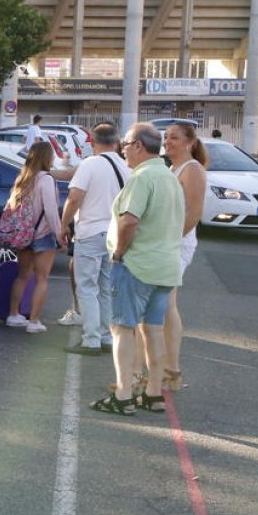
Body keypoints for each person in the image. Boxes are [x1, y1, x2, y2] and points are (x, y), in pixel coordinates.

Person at [90, 124, 184, 415]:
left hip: (137, 264)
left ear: (139, 146)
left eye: (126, 144)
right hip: (166, 265)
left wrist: (118, 252)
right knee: (153, 329)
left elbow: (130, 220)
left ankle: (124, 394)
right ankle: (154, 393)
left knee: (122, 328)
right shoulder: (169, 177)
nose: (123, 150)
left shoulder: (142, 178)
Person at [58, 123, 128, 356]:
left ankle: (90, 340)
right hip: (115, 233)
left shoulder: (90, 164)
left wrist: (63, 224)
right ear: (117, 143)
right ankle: (106, 337)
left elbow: (75, 197)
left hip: (90, 231)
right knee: (106, 288)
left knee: (86, 287)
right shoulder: (125, 166)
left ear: (93, 142)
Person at [154, 123, 208, 390]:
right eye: (165, 137)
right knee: (162, 306)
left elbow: (194, 213)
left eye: (174, 138)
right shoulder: (173, 168)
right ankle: (166, 369)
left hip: (177, 244)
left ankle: (172, 371)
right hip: (165, 242)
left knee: (166, 305)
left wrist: (170, 243)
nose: (167, 142)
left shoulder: (193, 170)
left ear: (190, 143)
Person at [5, 142, 64, 334]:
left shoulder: (23, 178)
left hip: (23, 235)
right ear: (47, 157)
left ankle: (13, 315)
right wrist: (59, 234)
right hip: (42, 235)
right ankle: (34, 321)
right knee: (42, 279)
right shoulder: (46, 179)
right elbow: (51, 211)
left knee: (22, 276)